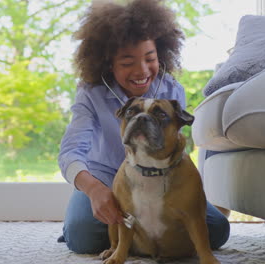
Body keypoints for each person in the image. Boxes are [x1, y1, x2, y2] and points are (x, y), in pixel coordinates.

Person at [57, 0, 230, 254]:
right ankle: (132, 235)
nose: (141, 70)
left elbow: (175, 144)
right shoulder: (90, 94)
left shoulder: (171, 89)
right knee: (83, 236)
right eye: (127, 62)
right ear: (108, 63)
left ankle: (141, 236)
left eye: (150, 58)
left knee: (216, 230)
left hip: (162, 183)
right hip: (104, 181)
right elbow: (70, 152)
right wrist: (94, 190)